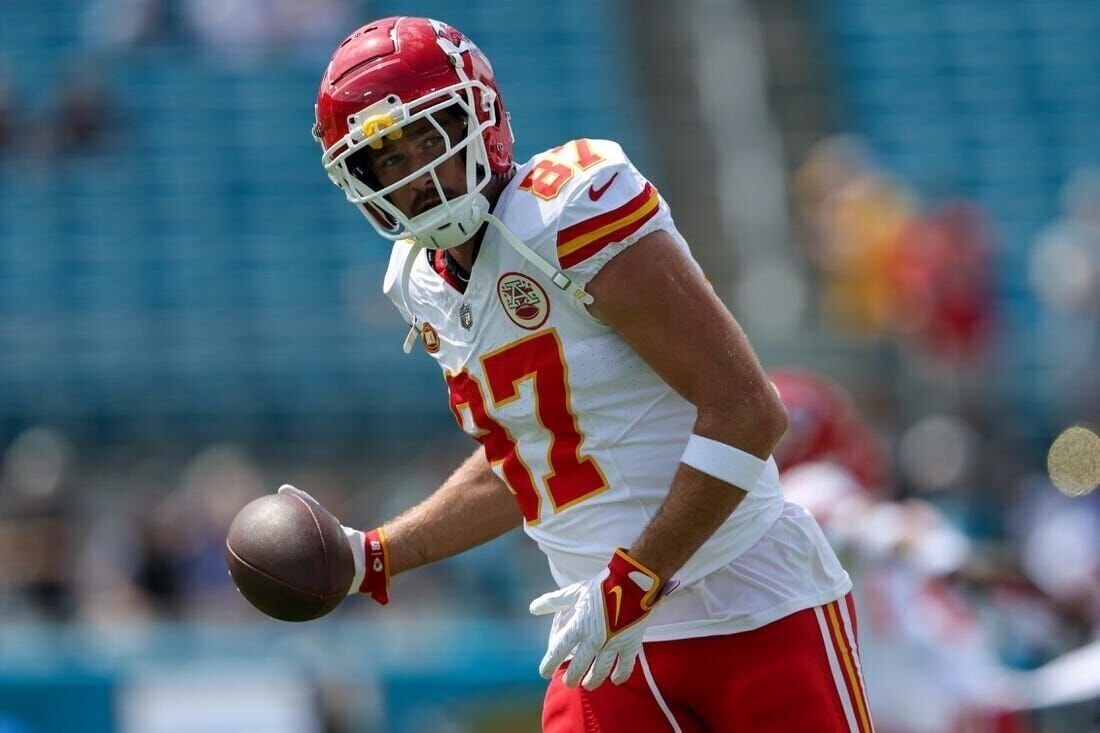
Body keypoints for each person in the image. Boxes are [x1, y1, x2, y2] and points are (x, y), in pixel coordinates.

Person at [292, 16, 874, 732]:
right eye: (384, 159)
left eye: (426, 137)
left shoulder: (566, 208)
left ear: (480, 116)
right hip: (605, 643)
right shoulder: (419, 283)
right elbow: (530, 456)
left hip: (753, 603)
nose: (412, 172)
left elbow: (748, 410)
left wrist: (637, 577)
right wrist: (374, 556)